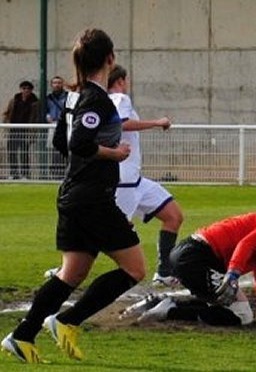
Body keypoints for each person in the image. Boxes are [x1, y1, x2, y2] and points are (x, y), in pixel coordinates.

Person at [1, 28, 144, 364]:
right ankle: (68, 320)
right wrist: (114, 153)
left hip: (73, 193)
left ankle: (21, 336)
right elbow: (79, 143)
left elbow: (60, 144)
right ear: (110, 59)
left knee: (72, 273)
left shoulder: (71, 97)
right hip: (92, 198)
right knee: (135, 269)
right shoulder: (97, 99)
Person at [135, 188, 256, 326]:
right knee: (243, 315)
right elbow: (246, 244)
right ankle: (170, 310)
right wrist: (232, 275)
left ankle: (164, 302)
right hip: (197, 258)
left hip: (189, 253)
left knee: (221, 304)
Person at [108, 64, 183, 287]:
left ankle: (164, 272)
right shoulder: (120, 99)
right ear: (120, 81)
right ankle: (68, 267)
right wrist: (157, 122)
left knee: (173, 216)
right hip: (124, 181)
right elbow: (123, 124)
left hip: (135, 180)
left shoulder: (105, 101)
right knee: (111, 231)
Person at [2, 80, 38, 179]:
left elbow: (35, 118)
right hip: (13, 129)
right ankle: (13, 173)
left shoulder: (35, 102)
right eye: (24, 88)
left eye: (28, 89)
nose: (26, 91)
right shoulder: (14, 100)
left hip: (26, 130)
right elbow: (7, 112)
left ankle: (25, 174)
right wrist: (5, 125)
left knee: (24, 152)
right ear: (20, 89)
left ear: (31, 90)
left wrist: (33, 133)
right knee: (12, 151)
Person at [45, 76, 68, 180]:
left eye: (59, 82)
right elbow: (44, 111)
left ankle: (65, 170)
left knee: (65, 148)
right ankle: (54, 172)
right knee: (52, 148)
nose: (57, 85)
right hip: (52, 126)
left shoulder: (67, 97)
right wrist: (47, 117)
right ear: (51, 85)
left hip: (65, 126)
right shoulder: (48, 98)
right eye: (54, 83)